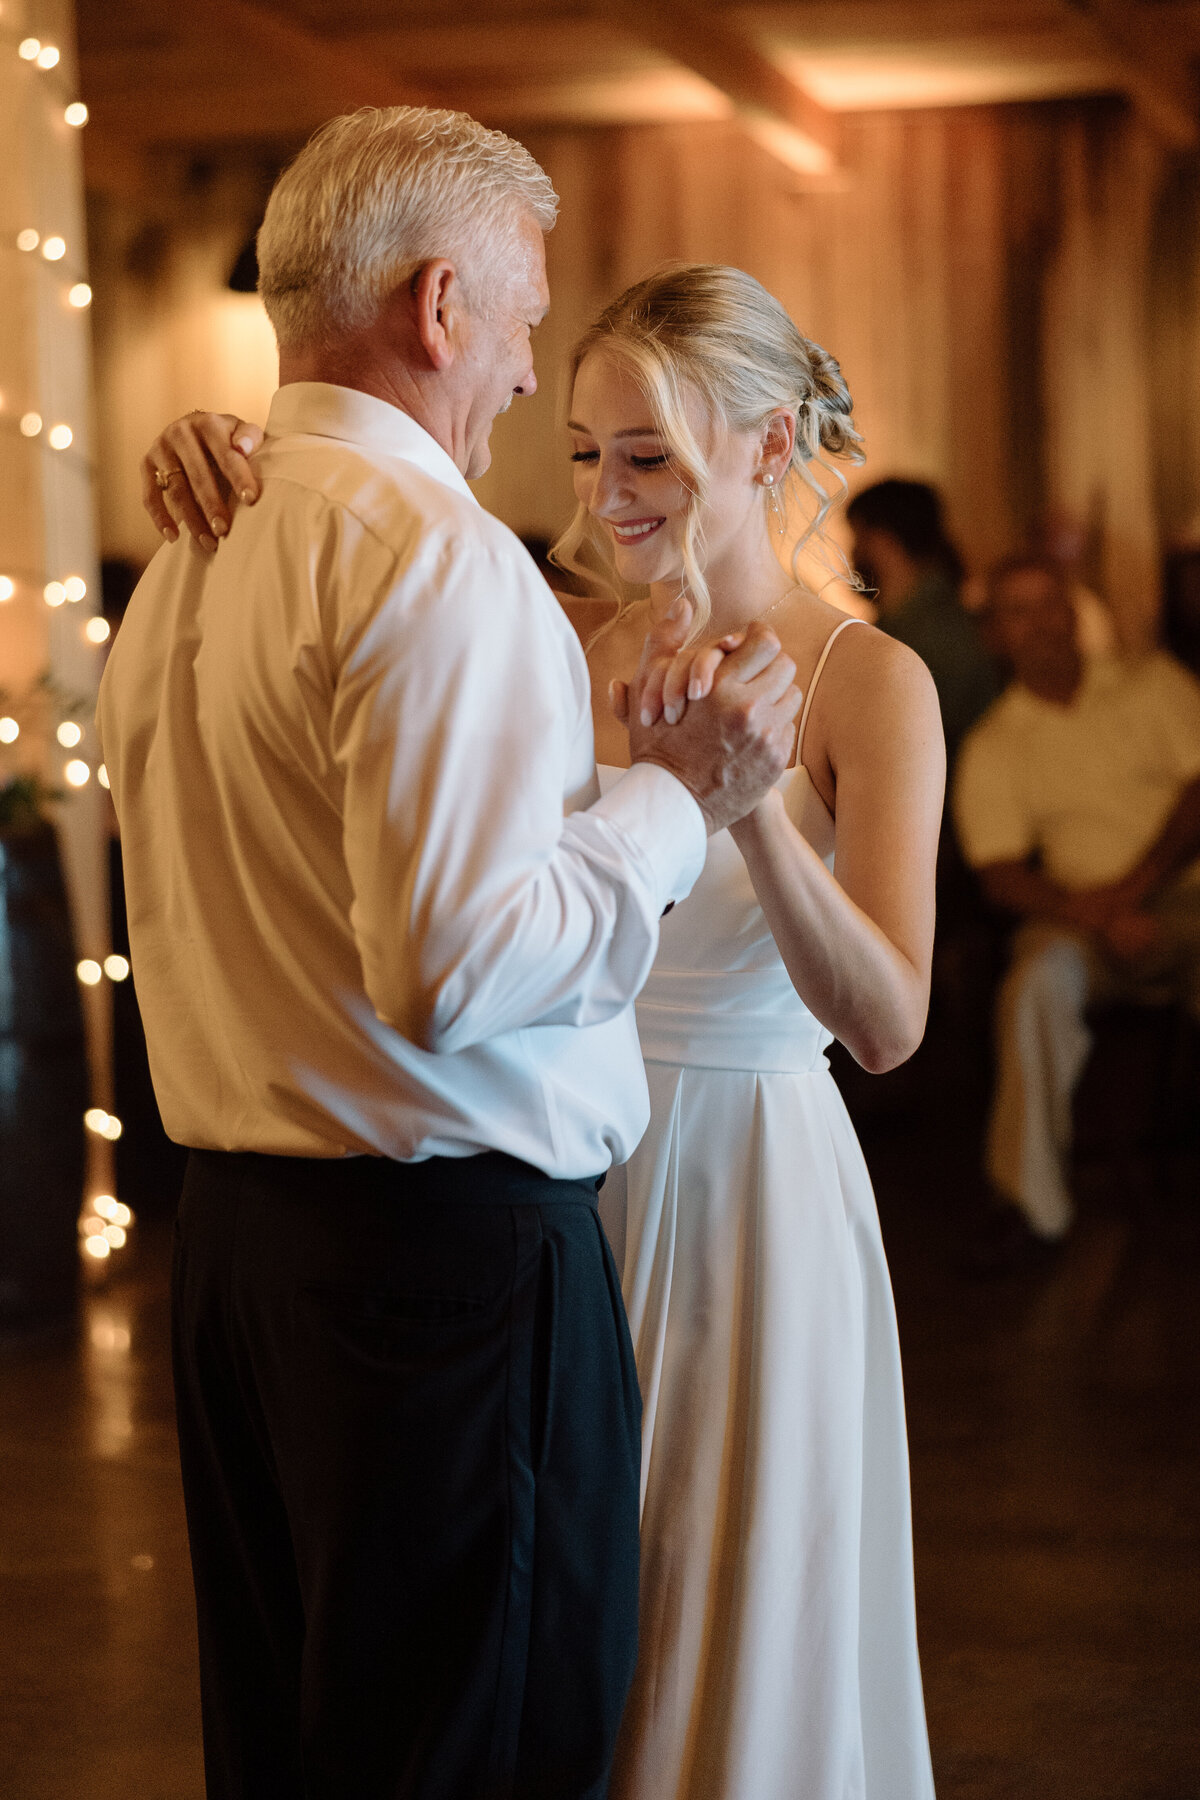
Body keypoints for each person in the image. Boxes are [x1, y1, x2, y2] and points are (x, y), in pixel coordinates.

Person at [154, 260, 944, 1800]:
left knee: (718, 1598)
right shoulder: (540, 622)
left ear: (768, 445)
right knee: (556, 1621)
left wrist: (750, 805)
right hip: (550, 1176)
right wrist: (224, 447)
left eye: (646, 453)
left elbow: (894, 1023)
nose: (609, 491)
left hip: (743, 1188)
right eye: (585, 452)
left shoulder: (870, 682)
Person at [954, 555, 1200, 1250]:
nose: (1042, 625)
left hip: (1184, 898)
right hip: (1080, 920)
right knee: (1033, 985)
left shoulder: (1152, 682)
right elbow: (1000, 874)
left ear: (1075, 612)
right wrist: (1099, 914)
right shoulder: (994, 742)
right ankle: (1033, 1206)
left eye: (1052, 605)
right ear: (995, 635)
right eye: (1019, 612)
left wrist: (1134, 891)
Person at [847, 477, 999, 767]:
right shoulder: (927, 622)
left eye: (858, 538)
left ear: (882, 540)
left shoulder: (926, 635)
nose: (851, 554)